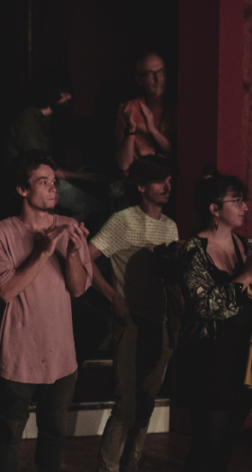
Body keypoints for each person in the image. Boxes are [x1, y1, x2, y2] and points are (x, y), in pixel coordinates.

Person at [0, 150, 93, 472]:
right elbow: (6, 291)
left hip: (60, 353)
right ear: (22, 189)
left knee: (53, 432)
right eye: (43, 182)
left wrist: (72, 253)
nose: (52, 188)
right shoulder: (0, 232)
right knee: (10, 433)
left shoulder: (69, 226)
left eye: (54, 181)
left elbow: (77, 289)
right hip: (18, 352)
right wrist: (42, 252)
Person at [90, 155, 178, 472]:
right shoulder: (123, 221)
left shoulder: (170, 225)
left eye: (169, 180)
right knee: (126, 404)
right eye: (159, 180)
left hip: (161, 325)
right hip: (130, 324)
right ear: (141, 186)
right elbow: (85, 258)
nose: (167, 186)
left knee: (146, 404)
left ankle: (132, 464)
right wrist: (113, 296)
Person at [175, 168, 252, 472]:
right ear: (214, 209)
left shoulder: (246, 246)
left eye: (245, 200)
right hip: (210, 355)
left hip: (243, 354)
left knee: (228, 440)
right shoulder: (193, 250)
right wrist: (245, 276)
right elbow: (205, 306)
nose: (245, 207)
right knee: (209, 442)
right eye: (237, 201)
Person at [7, 72, 101, 226]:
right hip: (32, 182)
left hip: (42, 179)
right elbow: (40, 164)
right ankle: (58, 237)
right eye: (65, 93)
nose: (69, 97)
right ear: (52, 93)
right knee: (92, 206)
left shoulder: (42, 119)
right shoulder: (28, 120)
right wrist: (82, 177)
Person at [115, 53, 174, 177]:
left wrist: (152, 130)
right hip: (137, 180)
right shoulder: (129, 109)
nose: (158, 79)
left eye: (161, 72)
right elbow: (124, 165)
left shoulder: (176, 108)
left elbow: (177, 155)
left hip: (166, 178)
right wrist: (131, 129)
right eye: (150, 74)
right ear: (139, 80)